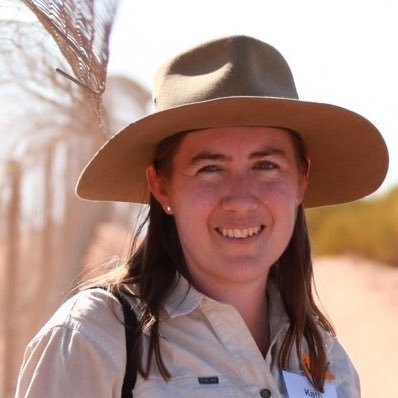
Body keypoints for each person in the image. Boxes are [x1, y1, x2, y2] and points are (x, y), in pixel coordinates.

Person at [15, 35, 388, 398]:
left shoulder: (326, 359)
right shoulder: (95, 341)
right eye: (210, 168)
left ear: (301, 180)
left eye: (266, 165)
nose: (241, 199)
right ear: (161, 186)